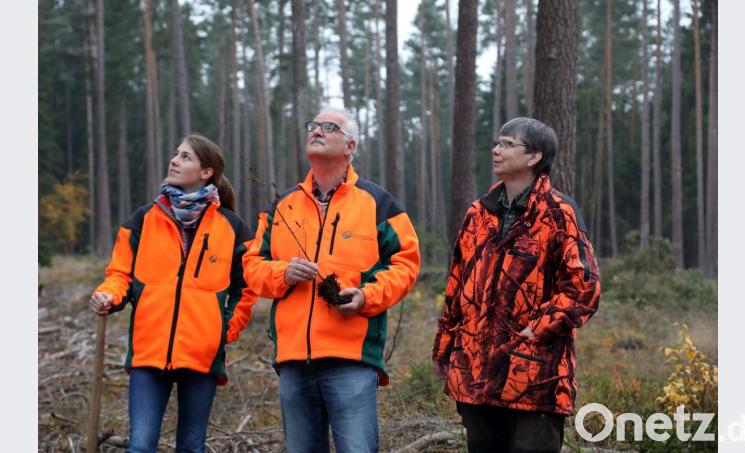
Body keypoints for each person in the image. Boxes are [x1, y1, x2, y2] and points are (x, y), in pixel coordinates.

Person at [243, 107, 420, 452]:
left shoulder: (378, 203)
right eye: (313, 125)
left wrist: (366, 296)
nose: (316, 131)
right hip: (293, 359)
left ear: (350, 146)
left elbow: (406, 264)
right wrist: (283, 273)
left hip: (351, 358)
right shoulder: (282, 206)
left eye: (329, 127)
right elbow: (252, 265)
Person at [432, 117, 601, 453]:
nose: (497, 150)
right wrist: (446, 345)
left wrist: (536, 330)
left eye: (508, 144)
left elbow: (584, 288)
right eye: (497, 143)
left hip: (534, 378)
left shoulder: (559, 213)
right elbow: (457, 286)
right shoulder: (478, 213)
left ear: (534, 156)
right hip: (474, 374)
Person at [89, 134, 258, 453]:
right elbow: (120, 274)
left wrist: (223, 330)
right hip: (148, 351)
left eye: (185, 157)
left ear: (206, 172)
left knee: (191, 446)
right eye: (175, 154)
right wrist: (107, 295)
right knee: (140, 445)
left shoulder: (232, 228)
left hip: (202, 355)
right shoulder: (143, 220)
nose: (174, 161)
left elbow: (247, 287)